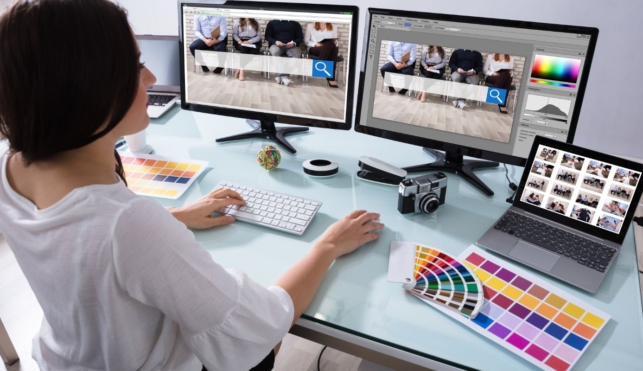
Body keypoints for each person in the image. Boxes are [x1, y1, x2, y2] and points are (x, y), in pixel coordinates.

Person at [0, 1, 384, 370]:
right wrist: (328, 245)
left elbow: (83, 244)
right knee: (264, 329)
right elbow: (252, 327)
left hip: (66, 357)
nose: (151, 78)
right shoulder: (128, 225)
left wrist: (174, 217)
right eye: (136, 66)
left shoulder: (9, 166)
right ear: (87, 89)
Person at [266, 19, 304, 86]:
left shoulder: (295, 23)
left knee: (297, 54)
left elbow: (300, 38)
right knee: (275, 52)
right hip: (276, 45)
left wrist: (294, 43)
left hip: (291, 46)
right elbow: (267, 36)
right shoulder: (272, 22)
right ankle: (284, 77)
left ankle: (281, 76)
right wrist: (275, 42)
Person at [304, 22, 340, 88]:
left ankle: (319, 66)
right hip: (315, 48)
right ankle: (331, 79)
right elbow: (306, 41)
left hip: (329, 48)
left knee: (330, 44)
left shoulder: (334, 26)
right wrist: (315, 44)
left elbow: (336, 43)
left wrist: (336, 42)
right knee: (331, 47)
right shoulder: (311, 26)